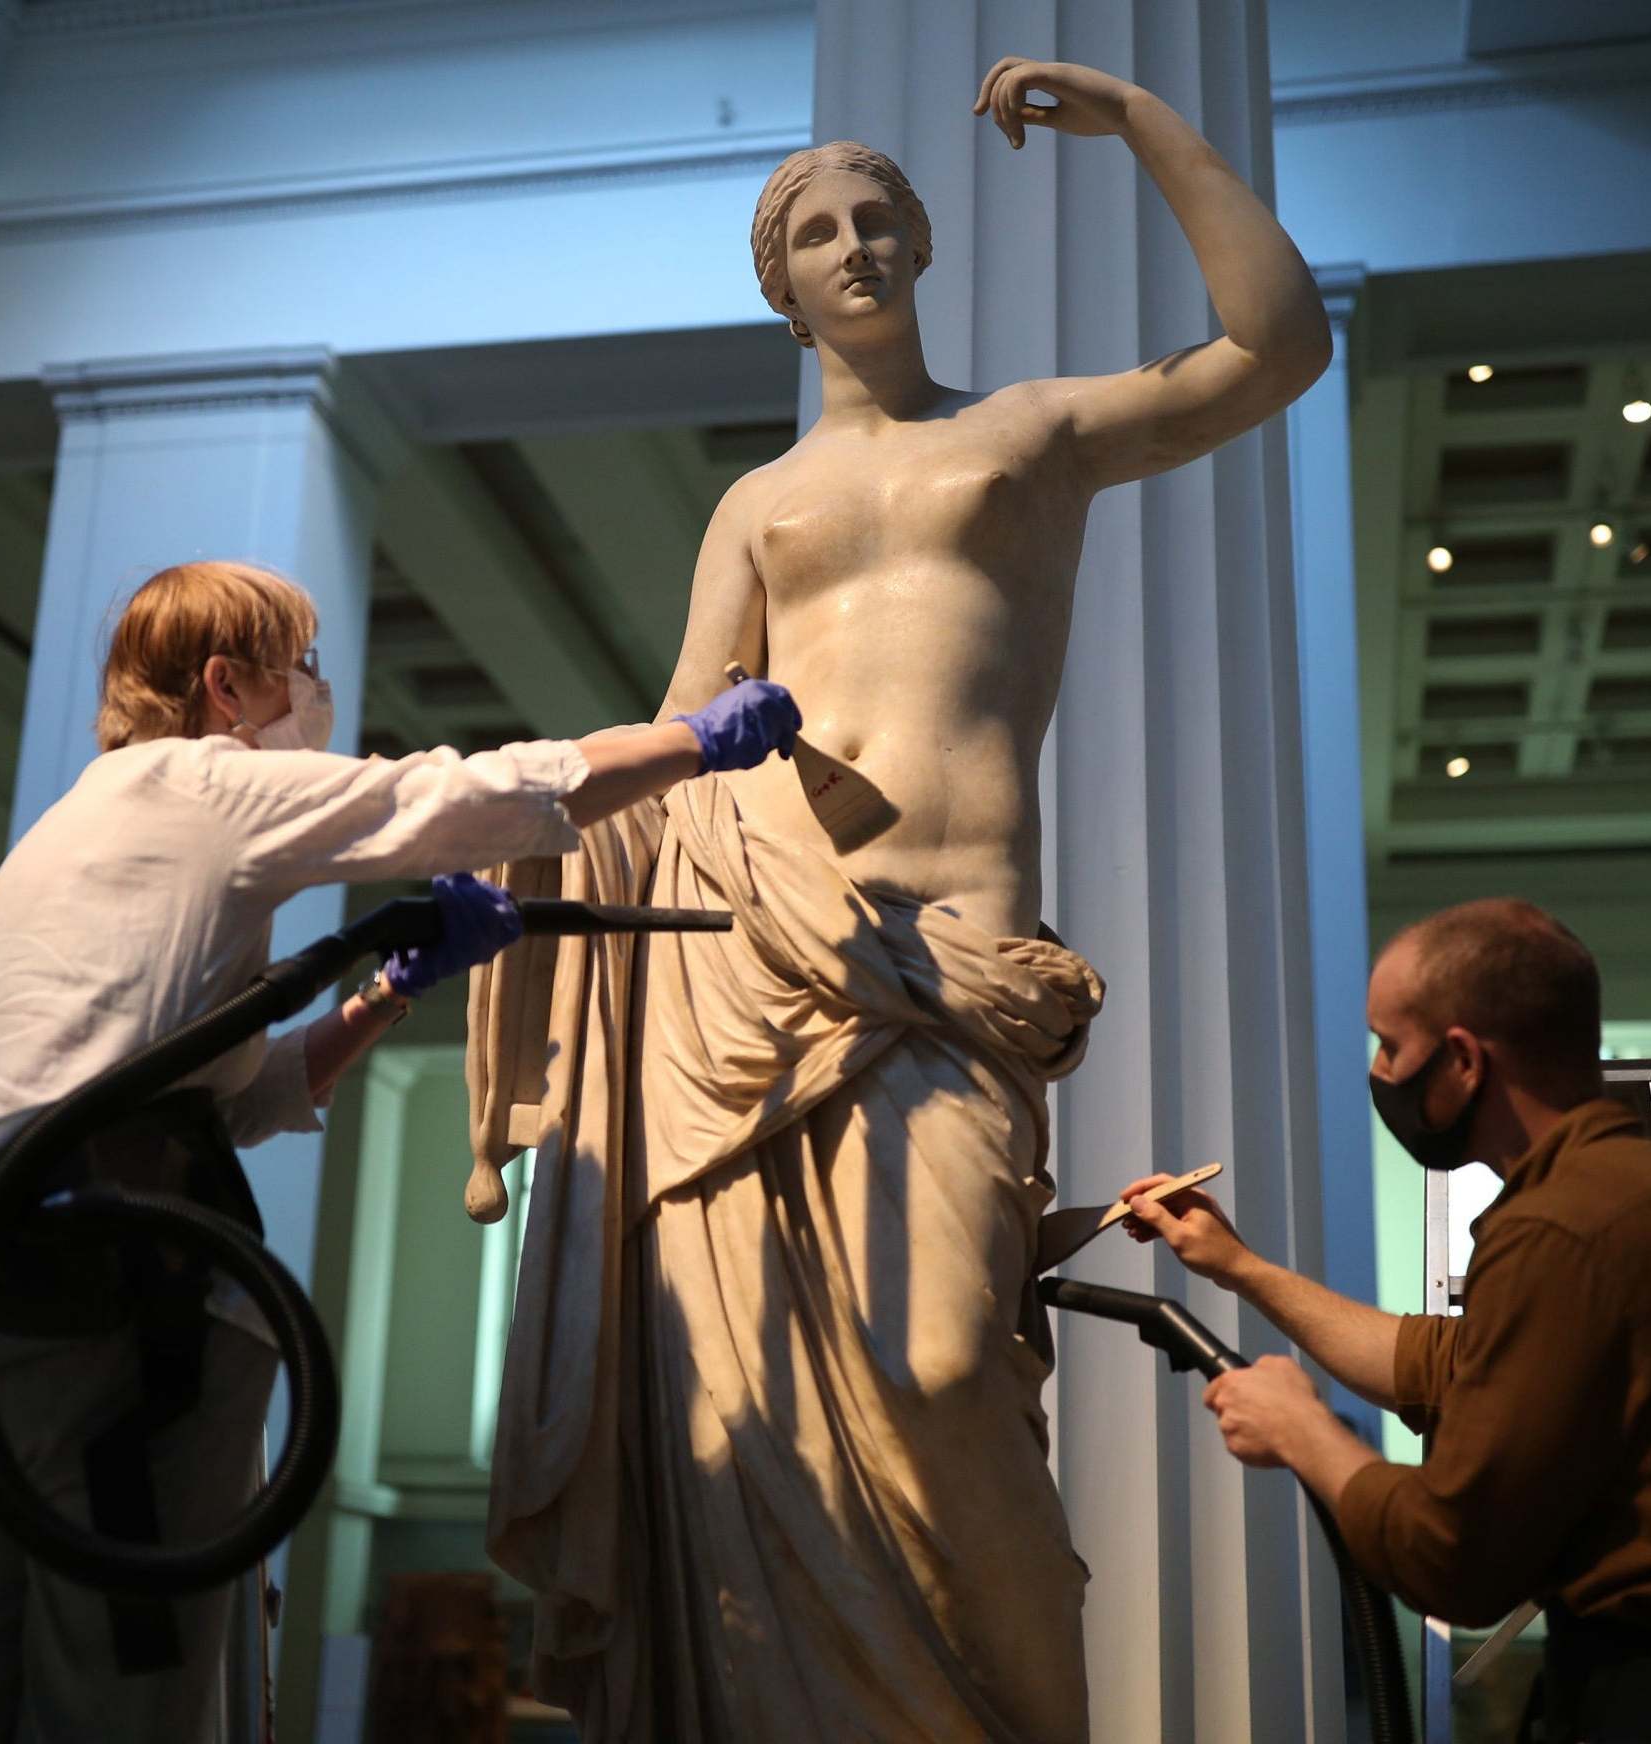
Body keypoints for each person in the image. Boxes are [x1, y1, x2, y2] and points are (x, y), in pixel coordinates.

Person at [465, 54, 1328, 1743]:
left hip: (945, 967)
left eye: (877, 221)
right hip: (755, 962)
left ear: (920, 250)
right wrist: (534, 810)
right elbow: (683, 731)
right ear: (781, 289)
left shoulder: (1029, 435)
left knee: (940, 1370)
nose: (852, 247)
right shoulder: (755, 503)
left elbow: (1274, 348)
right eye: (815, 234)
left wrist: (1150, 126)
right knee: (756, 1417)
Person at [0, 561, 797, 1744]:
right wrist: (689, 745)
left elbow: (217, 1099)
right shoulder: (200, 782)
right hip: (107, 1326)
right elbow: (466, 794)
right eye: (302, 667)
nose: (319, 692)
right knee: (124, 1691)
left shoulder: (79, 825)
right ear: (224, 684)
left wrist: (386, 995)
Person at [1122, 897, 1651, 1744]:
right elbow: (1445, 1363)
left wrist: (1301, 1430)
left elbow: (1454, 1559)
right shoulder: (1646, 1195)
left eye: (1390, 1045)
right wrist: (1236, 1265)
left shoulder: (1562, 1231)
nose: (1379, 1068)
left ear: (1463, 1061)